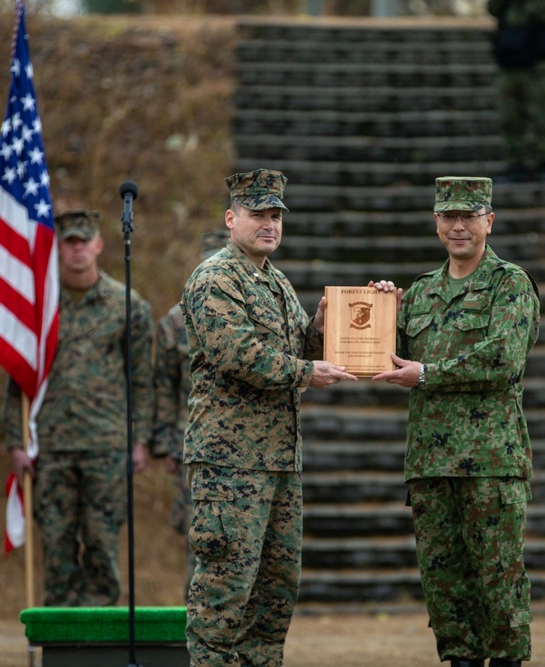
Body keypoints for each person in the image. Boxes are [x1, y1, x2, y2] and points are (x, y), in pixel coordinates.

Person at [181, 169, 366, 666]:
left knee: (273, 599)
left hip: (279, 462)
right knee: (223, 601)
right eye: (259, 213)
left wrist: (320, 330)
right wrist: (307, 369)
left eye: (276, 215)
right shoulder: (215, 277)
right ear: (231, 218)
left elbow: (288, 351)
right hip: (230, 468)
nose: (269, 223)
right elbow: (238, 353)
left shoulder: (276, 281)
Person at [373, 177, 540, 667]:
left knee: (499, 583)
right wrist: (373, 308)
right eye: (449, 217)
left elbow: (504, 358)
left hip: (490, 462)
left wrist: (428, 374)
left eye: (469, 216)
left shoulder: (510, 284)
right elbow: (379, 353)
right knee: (445, 589)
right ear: (436, 222)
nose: (459, 226)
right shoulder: (421, 293)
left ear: (489, 221)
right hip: (430, 465)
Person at [3, 209, 154, 607]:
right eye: (69, 242)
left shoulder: (127, 306)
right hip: (50, 446)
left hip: (106, 444)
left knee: (102, 545)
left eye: (83, 242)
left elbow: (141, 379)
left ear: (98, 246)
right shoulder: (37, 309)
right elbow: (16, 378)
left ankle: (101, 642)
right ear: (58, 248)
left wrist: (140, 440)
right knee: (56, 546)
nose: (76, 250)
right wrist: (15, 442)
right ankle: (61, 643)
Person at [152, 229, 228, 597]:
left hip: (236, 439)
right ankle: (190, 615)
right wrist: (166, 444)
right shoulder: (174, 322)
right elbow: (163, 387)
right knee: (195, 540)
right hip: (190, 442)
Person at [487, 0, 545, 183]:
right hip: (511, 58)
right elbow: (493, 8)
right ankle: (516, 165)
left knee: (543, 115)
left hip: (537, 61)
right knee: (509, 115)